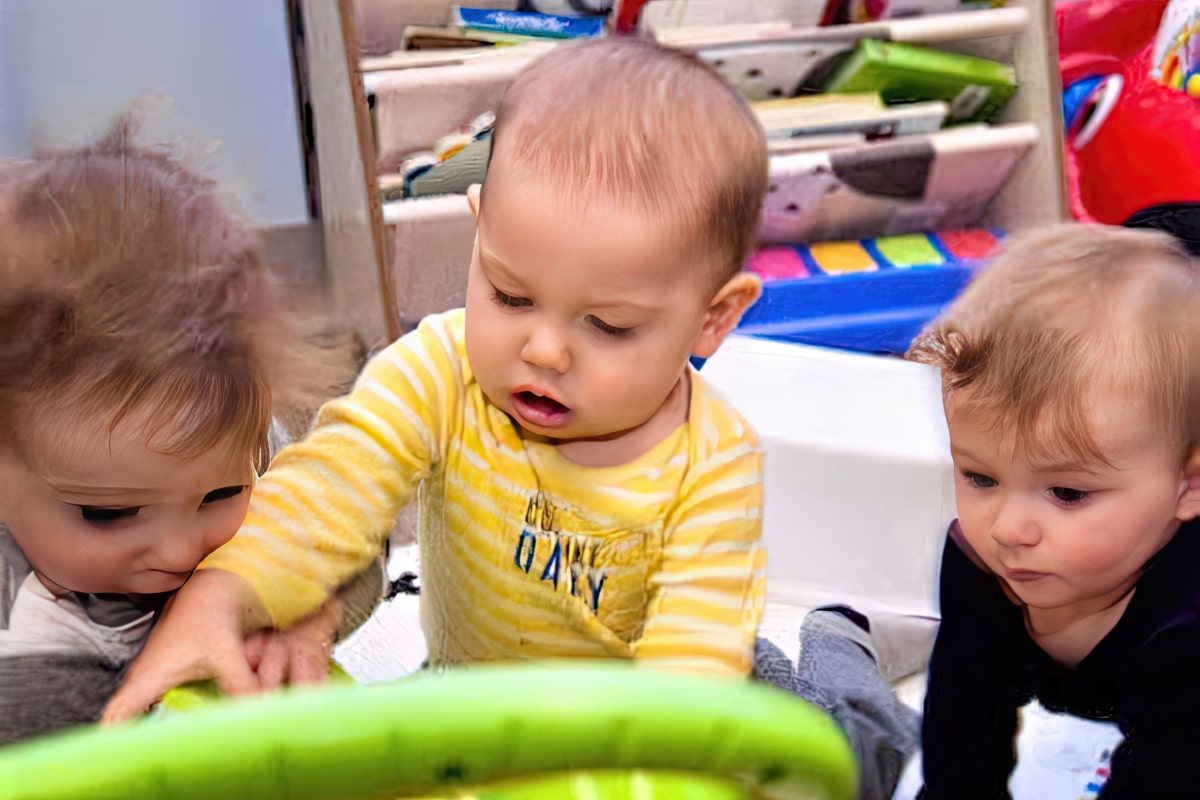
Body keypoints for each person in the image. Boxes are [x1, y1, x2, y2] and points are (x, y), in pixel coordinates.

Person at [103, 36, 771, 721]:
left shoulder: (714, 465)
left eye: (607, 325)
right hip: (463, 706)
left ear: (712, 319)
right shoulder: (441, 372)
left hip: (614, 739)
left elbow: (693, 669)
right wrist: (220, 596)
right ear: (478, 231)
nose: (543, 351)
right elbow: (326, 494)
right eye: (511, 296)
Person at [0, 124, 377, 743]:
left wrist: (302, 609)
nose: (179, 551)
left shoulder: (237, 446)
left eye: (220, 497)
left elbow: (355, 531)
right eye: (108, 514)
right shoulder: (24, 659)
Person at [904, 223, 1200, 797]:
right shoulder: (980, 559)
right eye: (980, 476)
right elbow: (963, 717)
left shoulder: (1187, 627)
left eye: (1067, 493)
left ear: (1189, 488)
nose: (1008, 530)